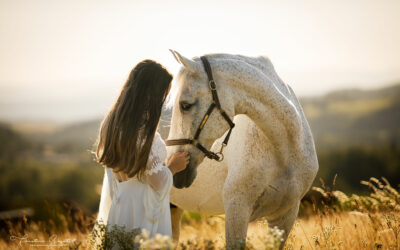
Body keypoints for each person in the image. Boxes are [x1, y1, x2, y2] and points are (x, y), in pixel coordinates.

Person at [95, 59, 189, 238]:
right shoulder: (143, 134)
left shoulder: (110, 123)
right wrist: (174, 167)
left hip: (121, 205)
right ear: (150, 93)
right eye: (163, 94)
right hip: (142, 209)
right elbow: (157, 182)